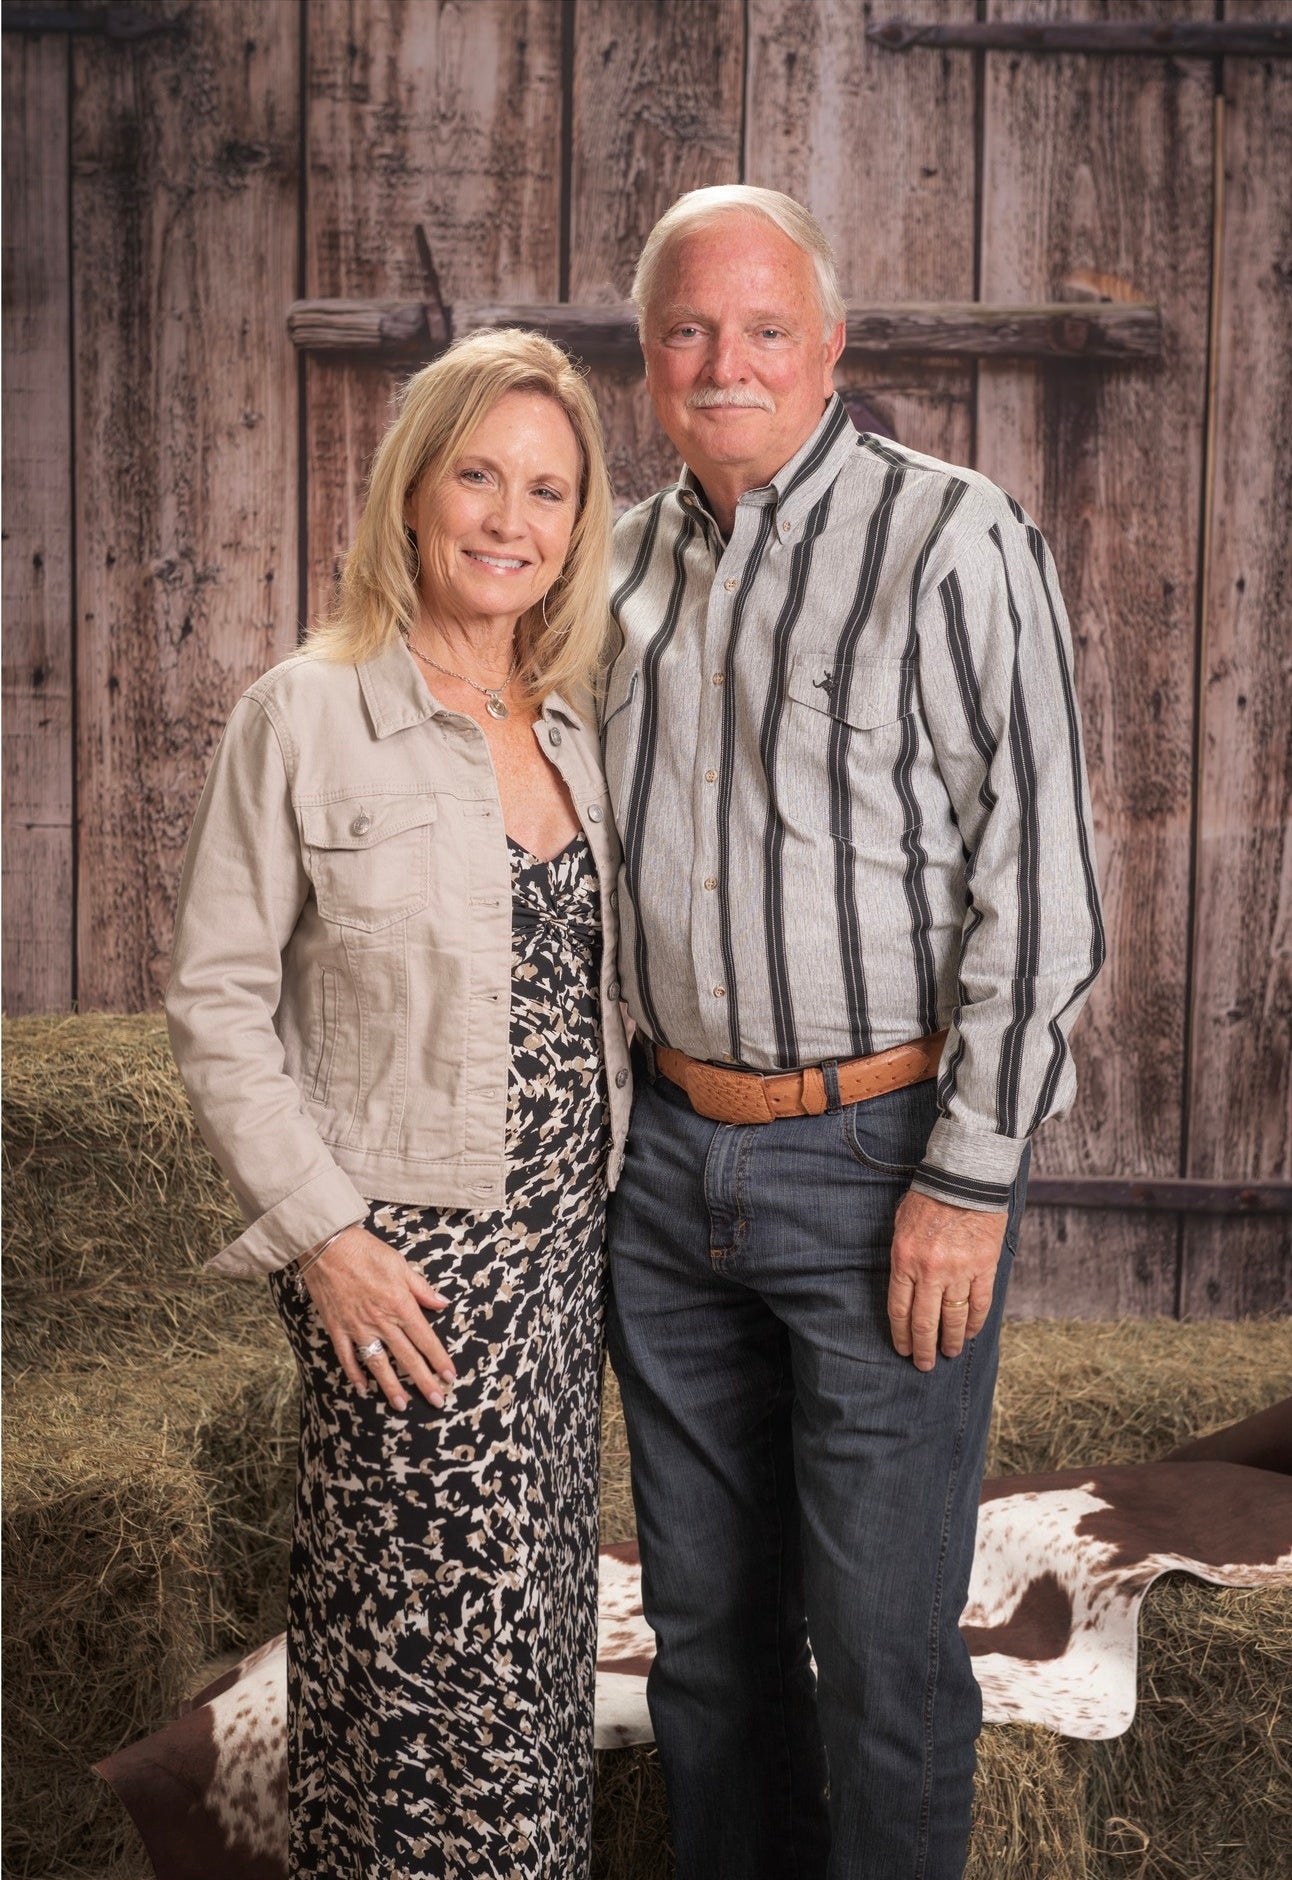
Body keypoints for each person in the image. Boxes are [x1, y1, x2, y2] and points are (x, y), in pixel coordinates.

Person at [600, 186, 1106, 1880]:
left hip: (883, 1159)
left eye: (760, 329)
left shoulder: (954, 539)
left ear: (831, 350)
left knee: (885, 1653)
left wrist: (970, 1178)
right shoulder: (614, 567)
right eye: (687, 329)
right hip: (665, 1172)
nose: (722, 360)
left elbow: (1039, 880)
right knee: (711, 1645)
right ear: (646, 358)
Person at [165, 328, 631, 1880]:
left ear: (580, 525)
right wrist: (323, 1242)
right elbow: (217, 1005)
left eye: (548, 491)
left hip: (563, 1280)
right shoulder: (305, 712)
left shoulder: (575, 726)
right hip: (404, 1282)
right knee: (427, 1694)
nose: (511, 518)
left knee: (531, 1683)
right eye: (479, 477)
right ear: (412, 493)